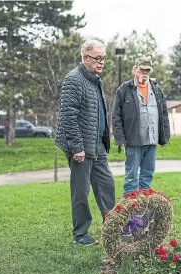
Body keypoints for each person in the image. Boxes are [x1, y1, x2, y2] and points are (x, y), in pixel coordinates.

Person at [55, 39, 115, 246]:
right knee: (81, 191)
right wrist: (77, 147)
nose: (101, 62)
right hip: (79, 145)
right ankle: (81, 235)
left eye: (103, 58)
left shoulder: (95, 80)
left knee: (107, 184)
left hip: (96, 143)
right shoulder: (74, 79)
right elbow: (68, 116)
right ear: (85, 57)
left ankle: (114, 226)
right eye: (97, 58)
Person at [112, 56, 170, 195]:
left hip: (152, 139)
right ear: (135, 70)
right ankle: (129, 208)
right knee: (131, 177)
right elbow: (116, 116)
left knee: (147, 175)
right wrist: (120, 138)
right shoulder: (124, 89)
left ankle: (143, 207)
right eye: (141, 70)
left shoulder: (156, 89)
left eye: (147, 71)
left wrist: (165, 136)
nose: (144, 73)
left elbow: (163, 114)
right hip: (133, 140)